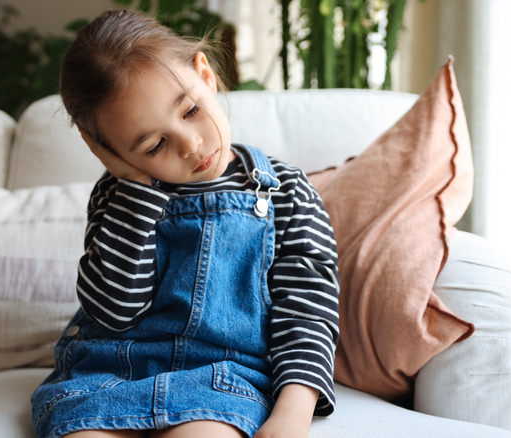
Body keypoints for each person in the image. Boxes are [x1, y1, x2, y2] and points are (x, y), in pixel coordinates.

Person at [31, 9, 339, 438]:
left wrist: (293, 412)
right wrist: (134, 188)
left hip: (222, 379)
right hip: (109, 368)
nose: (191, 145)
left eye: (191, 110)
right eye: (154, 145)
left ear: (205, 73)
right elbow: (114, 310)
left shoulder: (285, 191)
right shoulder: (118, 197)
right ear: (110, 151)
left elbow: (308, 307)